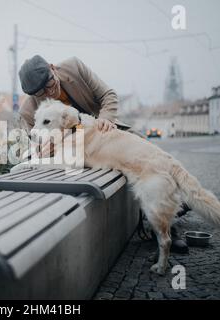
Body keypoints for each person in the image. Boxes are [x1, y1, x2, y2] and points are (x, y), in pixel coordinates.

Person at [18, 55, 189, 254]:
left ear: (52, 68)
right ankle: (171, 212)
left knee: (146, 154)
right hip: (76, 151)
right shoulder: (28, 112)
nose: (50, 92)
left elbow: (108, 95)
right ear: (32, 95)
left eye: (50, 84)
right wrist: (45, 149)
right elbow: (34, 148)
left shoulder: (74, 67)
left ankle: (168, 223)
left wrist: (106, 119)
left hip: (103, 133)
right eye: (40, 93)